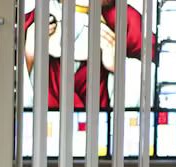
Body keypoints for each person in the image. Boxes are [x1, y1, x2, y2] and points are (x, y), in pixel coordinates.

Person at [24, 0, 154, 111]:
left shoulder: (127, 20)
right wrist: (28, 55)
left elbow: (157, 80)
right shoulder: (32, 21)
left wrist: (119, 66)